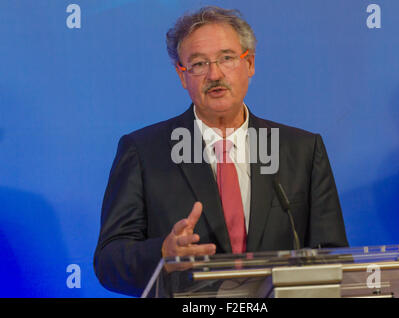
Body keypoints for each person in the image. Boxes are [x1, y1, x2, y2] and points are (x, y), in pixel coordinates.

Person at [94, 6, 348, 297]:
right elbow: (108, 261)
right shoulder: (143, 151)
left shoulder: (301, 150)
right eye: (199, 64)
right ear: (182, 76)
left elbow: (332, 255)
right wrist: (163, 252)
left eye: (226, 58)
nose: (214, 74)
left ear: (249, 64)